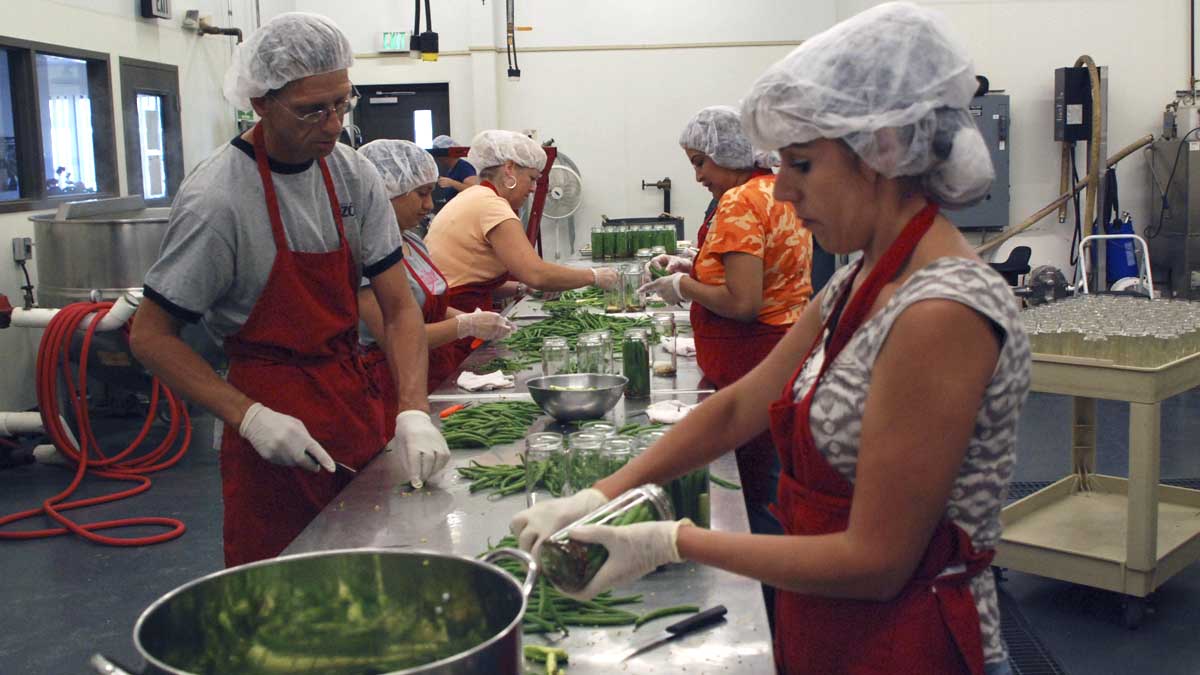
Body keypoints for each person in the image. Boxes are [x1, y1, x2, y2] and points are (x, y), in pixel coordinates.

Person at [510, 4, 1031, 675]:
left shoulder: (940, 310)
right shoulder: (859, 278)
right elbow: (736, 406)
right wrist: (601, 492)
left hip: (911, 638)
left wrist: (675, 540)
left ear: (884, 153)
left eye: (802, 164)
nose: (781, 189)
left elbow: (875, 561)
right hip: (832, 624)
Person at [129, 12, 450, 567]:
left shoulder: (353, 175)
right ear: (261, 103)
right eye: (311, 110)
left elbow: (398, 309)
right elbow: (151, 336)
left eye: (341, 105)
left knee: (373, 567)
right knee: (283, 589)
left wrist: (413, 410)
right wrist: (250, 417)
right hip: (271, 419)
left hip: (352, 404)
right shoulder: (218, 199)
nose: (331, 125)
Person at [639, 105, 813, 540]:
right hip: (784, 352)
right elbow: (760, 266)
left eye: (701, 162)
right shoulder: (777, 191)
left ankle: (766, 586)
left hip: (748, 357)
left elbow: (742, 302)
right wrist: (694, 264)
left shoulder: (738, 200)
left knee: (752, 487)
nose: (698, 176)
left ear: (730, 151)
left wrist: (684, 286)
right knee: (774, 478)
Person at [425, 129, 618, 366]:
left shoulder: (475, 197)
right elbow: (536, 273)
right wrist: (594, 276)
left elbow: (468, 275)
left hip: (457, 316)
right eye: (532, 178)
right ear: (509, 169)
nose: (534, 188)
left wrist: (520, 289)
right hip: (455, 327)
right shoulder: (490, 205)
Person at [357, 139, 516, 409]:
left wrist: (475, 319)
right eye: (421, 194)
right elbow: (393, 336)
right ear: (386, 191)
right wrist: (464, 326)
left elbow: (433, 305)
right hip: (392, 383)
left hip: (436, 370)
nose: (429, 205)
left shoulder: (413, 242)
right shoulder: (364, 254)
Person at [430, 134, 479, 212]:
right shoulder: (451, 169)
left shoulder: (463, 167)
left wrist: (452, 183)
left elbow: (474, 189)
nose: (438, 158)